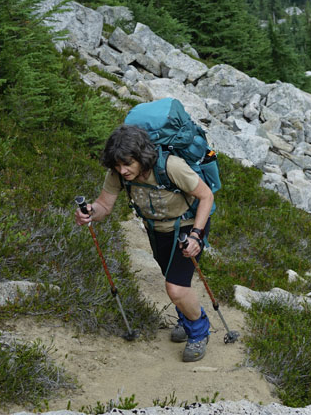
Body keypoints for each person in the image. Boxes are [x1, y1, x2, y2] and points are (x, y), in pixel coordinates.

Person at [75, 123, 214, 361]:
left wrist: (196, 235)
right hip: (156, 230)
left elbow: (206, 196)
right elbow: (104, 206)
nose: (123, 170)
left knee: (176, 287)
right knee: (173, 280)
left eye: (128, 163)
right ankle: (186, 316)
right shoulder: (117, 174)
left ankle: (198, 330)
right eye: (117, 165)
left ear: (142, 156)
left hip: (188, 227)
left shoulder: (171, 166)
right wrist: (89, 211)